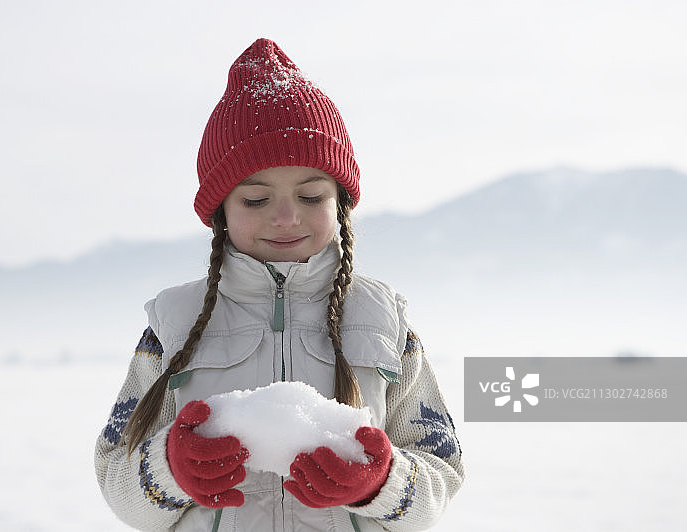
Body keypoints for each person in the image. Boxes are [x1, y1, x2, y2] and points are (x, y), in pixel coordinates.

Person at [94, 38, 464, 532]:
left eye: (311, 195)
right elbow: (116, 474)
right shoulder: (173, 323)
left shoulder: (382, 319)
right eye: (255, 200)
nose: (286, 217)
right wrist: (168, 469)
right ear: (220, 211)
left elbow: (442, 472)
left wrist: (382, 483)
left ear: (342, 203)